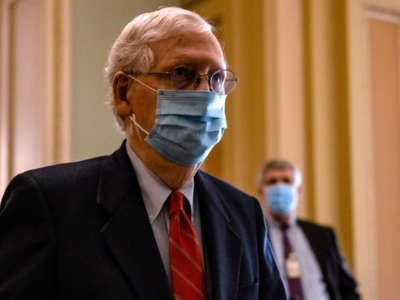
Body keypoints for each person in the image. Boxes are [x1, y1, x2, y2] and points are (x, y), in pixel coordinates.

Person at [0, 7, 286, 300]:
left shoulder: (243, 214)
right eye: (181, 73)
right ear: (124, 93)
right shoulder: (50, 203)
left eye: (215, 79)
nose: (205, 93)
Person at [257, 159, 360, 300]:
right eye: (272, 182)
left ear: (298, 191)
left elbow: (346, 286)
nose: (280, 186)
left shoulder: (322, 235)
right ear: (261, 192)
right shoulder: (255, 235)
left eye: (287, 181)